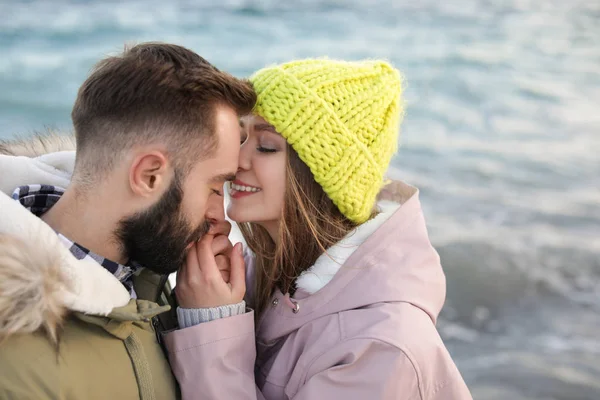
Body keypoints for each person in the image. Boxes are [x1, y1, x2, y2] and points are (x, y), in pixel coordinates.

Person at [167, 59, 473, 399]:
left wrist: (212, 324)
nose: (237, 160)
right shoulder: (265, 280)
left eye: (266, 146)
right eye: (240, 138)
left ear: (321, 178)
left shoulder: (381, 348)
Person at [0, 42, 255, 399]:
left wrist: (205, 322)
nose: (220, 216)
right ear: (149, 176)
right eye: (215, 187)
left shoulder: (147, 278)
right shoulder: (18, 367)